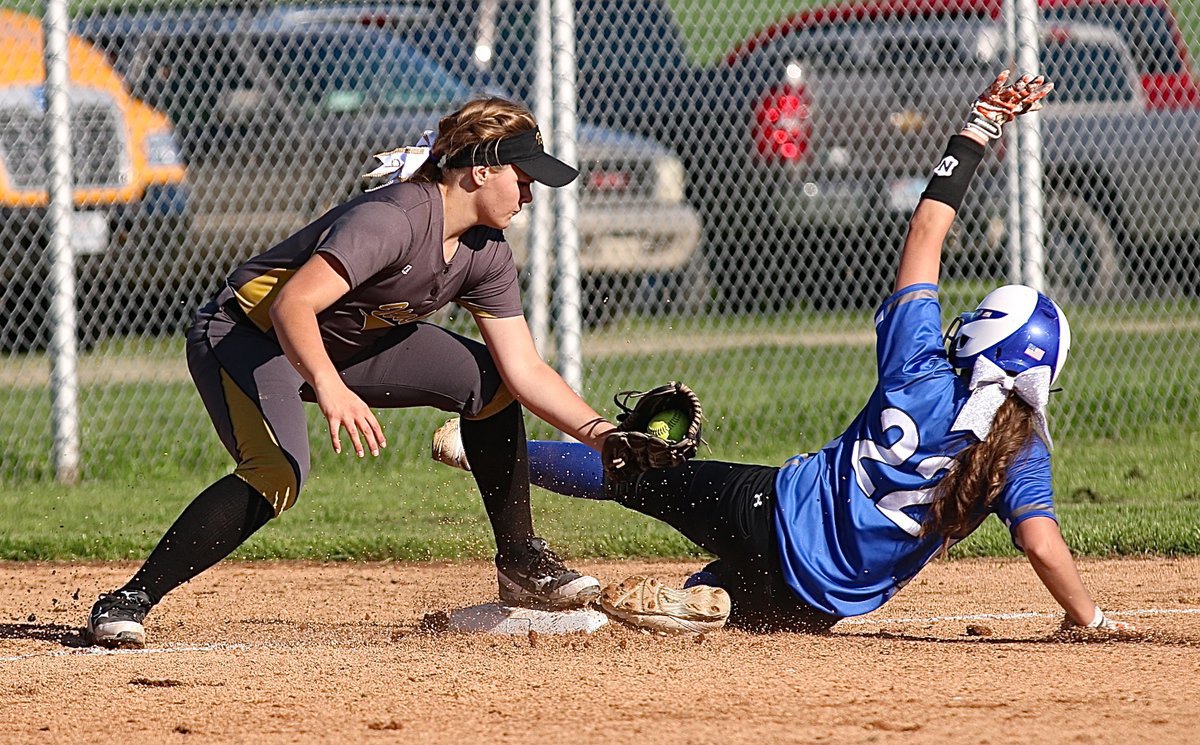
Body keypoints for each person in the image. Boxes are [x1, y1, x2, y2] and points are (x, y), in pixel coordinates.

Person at [433, 72, 1137, 636]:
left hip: (768, 511)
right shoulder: (1020, 456)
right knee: (717, 604)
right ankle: (688, 605)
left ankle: (476, 454)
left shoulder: (921, 364)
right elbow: (1042, 544)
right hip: (819, 602)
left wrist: (979, 126)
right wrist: (1092, 619)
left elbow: (927, 227)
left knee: (636, 465)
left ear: (974, 337)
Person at [86, 97, 619, 648]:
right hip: (249, 337)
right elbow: (293, 305)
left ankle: (520, 560)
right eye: (524, 178)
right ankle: (129, 598)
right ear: (481, 171)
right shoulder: (393, 219)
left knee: (491, 384)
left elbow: (524, 368)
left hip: (352, 345)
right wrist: (328, 385)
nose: (530, 195)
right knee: (278, 472)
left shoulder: (484, 251)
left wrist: (604, 436)